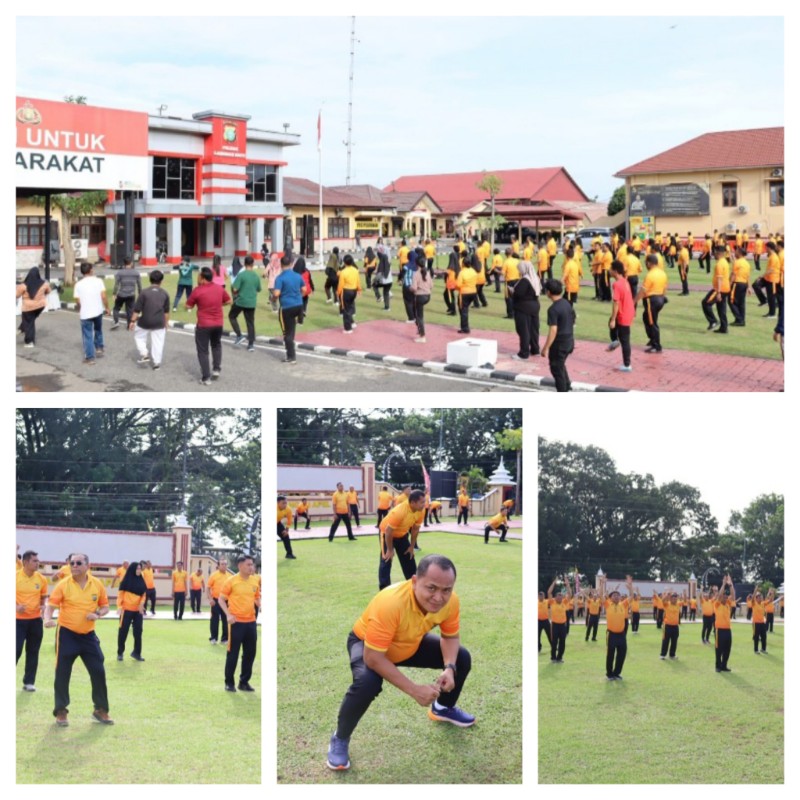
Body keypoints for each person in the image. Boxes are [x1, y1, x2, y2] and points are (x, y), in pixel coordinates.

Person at [326, 555, 474, 772]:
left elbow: (450, 637)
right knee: (368, 682)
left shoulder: (451, 602)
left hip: (409, 642)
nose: (439, 597)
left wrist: (449, 668)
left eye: (446, 590)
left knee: (461, 657)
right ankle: (340, 738)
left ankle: (442, 708)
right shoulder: (391, 602)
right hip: (368, 645)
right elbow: (373, 658)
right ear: (414, 581)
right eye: (431, 588)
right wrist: (415, 690)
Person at [44, 553, 113, 726]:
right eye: (71, 563)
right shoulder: (63, 584)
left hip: (88, 636)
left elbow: (105, 607)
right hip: (67, 634)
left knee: (98, 670)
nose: (74, 565)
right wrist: (47, 619)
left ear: (88, 565)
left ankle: (100, 710)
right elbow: (50, 606)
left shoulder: (96, 584)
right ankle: (61, 711)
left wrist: (97, 614)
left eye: (78, 563)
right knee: (62, 672)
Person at [219, 555, 260, 692]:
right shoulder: (231, 581)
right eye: (248, 565)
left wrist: (261, 606)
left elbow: (256, 598)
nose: (251, 567)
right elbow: (221, 599)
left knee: (250, 653)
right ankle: (229, 682)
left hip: (251, 623)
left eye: (252, 565)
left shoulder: (254, 582)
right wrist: (228, 615)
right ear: (240, 566)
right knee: (233, 653)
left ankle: (244, 682)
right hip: (236, 623)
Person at [186, 266, 231, 384]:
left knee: (203, 350)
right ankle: (216, 369)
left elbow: (188, 306)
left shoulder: (197, 290)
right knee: (216, 345)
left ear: (201, 277)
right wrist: (218, 305)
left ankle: (206, 377)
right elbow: (229, 301)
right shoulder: (219, 288)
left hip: (204, 324)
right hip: (218, 323)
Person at [379, 489, 425, 590]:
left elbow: (415, 529)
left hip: (402, 535)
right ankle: (384, 589)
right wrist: (390, 550)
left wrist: (412, 546)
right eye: (422, 502)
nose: (424, 505)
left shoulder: (421, 511)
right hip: (386, 533)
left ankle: (415, 585)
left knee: (409, 556)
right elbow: (388, 531)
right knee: (386, 559)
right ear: (413, 503)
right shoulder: (400, 511)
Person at [16, 550, 47, 691]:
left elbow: (43, 596)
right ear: (25, 562)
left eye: (38, 560)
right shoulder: (14, 577)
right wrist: (16, 607)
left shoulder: (41, 579)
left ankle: (29, 682)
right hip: (17, 621)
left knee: (33, 651)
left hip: (35, 620)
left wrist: (43, 605)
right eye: (35, 561)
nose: (37, 563)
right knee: (15, 650)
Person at [129, 269, 170, 369]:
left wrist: (132, 321)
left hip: (145, 321)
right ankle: (156, 363)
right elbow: (166, 312)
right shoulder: (165, 293)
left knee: (139, 336)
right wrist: (166, 322)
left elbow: (137, 310)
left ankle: (144, 353)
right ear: (161, 281)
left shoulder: (144, 293)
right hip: (159, 322)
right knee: (158, 342)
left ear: (149, 279)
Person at [541, 279, 575, 392]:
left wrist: (545, 348)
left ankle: (562, 391)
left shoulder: (553, 309)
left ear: (549, 292)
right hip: (569, 340)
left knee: (556, 368)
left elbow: (553, 331)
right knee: (560, 365)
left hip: (559, 344)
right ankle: (567, 385)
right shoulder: (567, 303)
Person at [73, 261, 110, 365]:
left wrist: (81, 308)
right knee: (98, 329)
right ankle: (99, 347)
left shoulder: (78, 284)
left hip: (85, 313)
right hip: (98, 311)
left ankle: (90, 357)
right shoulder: (99, 281)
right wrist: (107, 307)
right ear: (91, 270)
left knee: (87, 335)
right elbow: (103, 296)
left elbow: (77, 300)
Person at [274, 253, 306, 364]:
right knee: (291, 330)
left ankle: (291, 356)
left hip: (287, 307)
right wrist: (298, 297)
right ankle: (291, 345)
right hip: (299, 306)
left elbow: (277, 293)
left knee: (286, 333)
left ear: (281, 264)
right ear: (291, 264)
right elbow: (304, 289)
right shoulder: (297, 276)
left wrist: (273, 298)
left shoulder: (280, 278)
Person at [635, 254, 668, 353]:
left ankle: (656, 346)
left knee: (652, 322)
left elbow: (643, 291)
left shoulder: (650, 275)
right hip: (660, 298)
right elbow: (665, 287)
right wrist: (663, 297)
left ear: (649, 263)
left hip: (651, 300)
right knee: (647, 318)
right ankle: (652, 338)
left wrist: (634, 301)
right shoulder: (662, 273)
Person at [229, 256, 262, 352]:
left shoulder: (241, 275)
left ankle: (239, 335)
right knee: (250, 323)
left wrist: (236, 292)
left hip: (240, 301)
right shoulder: (256, 276)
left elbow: (235, 289)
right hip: (251, 302)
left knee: (232, 316)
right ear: (253, 264)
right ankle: (251, 345)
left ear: (244, 263)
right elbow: (259, 289)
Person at [603, 578, 633, 680]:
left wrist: (630, 588)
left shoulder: (623, 604)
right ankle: (609, 674)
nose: (616, 597)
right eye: (614, 595)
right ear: (610, 598)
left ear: (620, 597)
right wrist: (602, 583)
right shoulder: (607, 605)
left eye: (618, 595)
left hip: (621, 634)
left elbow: (632, 596)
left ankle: (617, 673)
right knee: (610, 654)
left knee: (622, 653)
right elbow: (600, 596)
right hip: (611, 634)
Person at [607, 260, 635, 372]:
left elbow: (616, 303)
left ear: (615, 271)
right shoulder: (624, 281)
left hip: (624, 315)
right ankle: (614, 340)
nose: (609, 270)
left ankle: (627, 365)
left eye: (610, 269)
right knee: (611, 324)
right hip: (628, 311)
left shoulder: (617, 285)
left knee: (625, 340)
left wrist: (614, 319)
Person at [116, 561, 146, 661]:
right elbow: (120, 595)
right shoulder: (125, 581)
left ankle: (136, 653)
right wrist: (119, 607)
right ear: (133, 569)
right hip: (126, 610)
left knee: (138, 631)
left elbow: (143, 594)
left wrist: (142, 604)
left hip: (138, 611)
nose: (139, 570)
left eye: (140, 568)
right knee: (123, 631)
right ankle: (120, 652)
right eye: (137, 568)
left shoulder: (142, 580)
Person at [511, 261, 541, 360]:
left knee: (524, 330)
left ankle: (524, 353)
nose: (519, 271)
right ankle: (535, 349)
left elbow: (518, 294)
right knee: (534, 329)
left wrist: (512, 291)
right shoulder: (535, 278)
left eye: (519, 269)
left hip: (523, 307)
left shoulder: (525, 280)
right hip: (534, 305)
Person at [16, 267, 52, 348]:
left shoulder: (23, 285)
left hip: (28, 308)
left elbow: (16, 295)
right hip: (40, 306)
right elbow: (49, 291)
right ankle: (22, 328)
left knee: (29, 323)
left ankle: (29, 341)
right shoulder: (44, 284)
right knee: (30, 320)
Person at [702, 247, 730, 333]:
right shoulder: (725, 261)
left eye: (714, 252)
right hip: (725, 288)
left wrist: (718, 292)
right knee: (721, 308)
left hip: (719, 289)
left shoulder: (720, 264)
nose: (713, 254)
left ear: (718, 253)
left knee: (705, 303)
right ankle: (724, 328)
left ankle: (713, 321)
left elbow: (719, 279)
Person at [713, 575, 736, 672]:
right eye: (724, 596)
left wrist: (730, 585)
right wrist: (723, 584)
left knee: (727, 649)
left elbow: (733, 596)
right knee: (719, 649)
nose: (726, 597)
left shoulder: (728, 604)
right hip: (719, 630)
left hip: (727, 630)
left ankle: (724, 665)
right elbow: (719, 596)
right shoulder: (717, 604)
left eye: (726, 596)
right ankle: (718, 666)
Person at [111, 257, 141, 330]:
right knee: (130, 310)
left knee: (116, 308)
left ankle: (116, 322)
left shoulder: (120, 272)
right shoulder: (136, 273)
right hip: (131, 294)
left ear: (124, 264)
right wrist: (140, 294)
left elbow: (116, 284)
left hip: (121, 294)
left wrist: (114, 294)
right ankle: (129, 325)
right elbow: (139, 285)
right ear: (131, 263)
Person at [546, 577, 571, 663]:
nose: (560, 598)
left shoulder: (564, 602)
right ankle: (553, 657)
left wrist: (567, 585)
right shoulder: (552, 602)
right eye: (558, 597)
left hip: (563, 625)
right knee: (554, 642)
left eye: (561, 597)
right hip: (555, 625)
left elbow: (570, 594)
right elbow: (549, 592)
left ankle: (559, 657)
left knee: (562, 642)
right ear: (555, 598)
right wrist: (554, 583)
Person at [411, 253, 433, 343]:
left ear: (416, 264)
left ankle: (422, 336)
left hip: (420, 296)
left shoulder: (416, 274)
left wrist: (410, 288)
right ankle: (420, 329)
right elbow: (431, 285)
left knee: (419, 316)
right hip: (428, 296)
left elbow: (414, 288)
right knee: (420, 315)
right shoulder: (427, 273)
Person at [207, 560, 231, 644]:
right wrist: (210, 599)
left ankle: (224, 639)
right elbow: (208, 588)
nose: (224, 566)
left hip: (226, 601)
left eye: (225, 564)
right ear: (218, 565)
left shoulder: (230, 576)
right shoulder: (213, 575)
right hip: (216, 600)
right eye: (222, 564)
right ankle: (213, 638)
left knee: (226, 619)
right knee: (214, 619)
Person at [337, 254, 361, 333]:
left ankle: (348, 328)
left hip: (346, 291)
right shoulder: (355, 270)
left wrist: (338, 292)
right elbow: (358, 281)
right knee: (350, 307)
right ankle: (352, 322)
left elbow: (341, 284)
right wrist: (359, 290)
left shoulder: (343, 272)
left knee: (345, 310)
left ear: (344, 262)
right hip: (353, 291)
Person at [660, 591, 686, 659]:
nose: (674, 599)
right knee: (665, 640)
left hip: (675, 626)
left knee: (674, 641)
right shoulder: (667, 604)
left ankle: (672, 654)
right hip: (667, 626)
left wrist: (684, 594)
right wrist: (667, 594)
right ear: (670, 598)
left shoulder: (678, 604)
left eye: (675, 598)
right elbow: (662, 600)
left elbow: (685, 601)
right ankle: (663, 654)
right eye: (673, 598)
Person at [730, 247, 751, 326]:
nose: (735, 253)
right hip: (744, 284)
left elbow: (733, 275)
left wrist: (729, 284)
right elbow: (748, 276)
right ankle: (741, 320)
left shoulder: (737, 262)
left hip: (737, 283)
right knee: (741, 303)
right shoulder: (747, 263)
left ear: (739, 253)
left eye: (736, 251)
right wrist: (748, 287)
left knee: (732, 301)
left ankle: (739, 319)